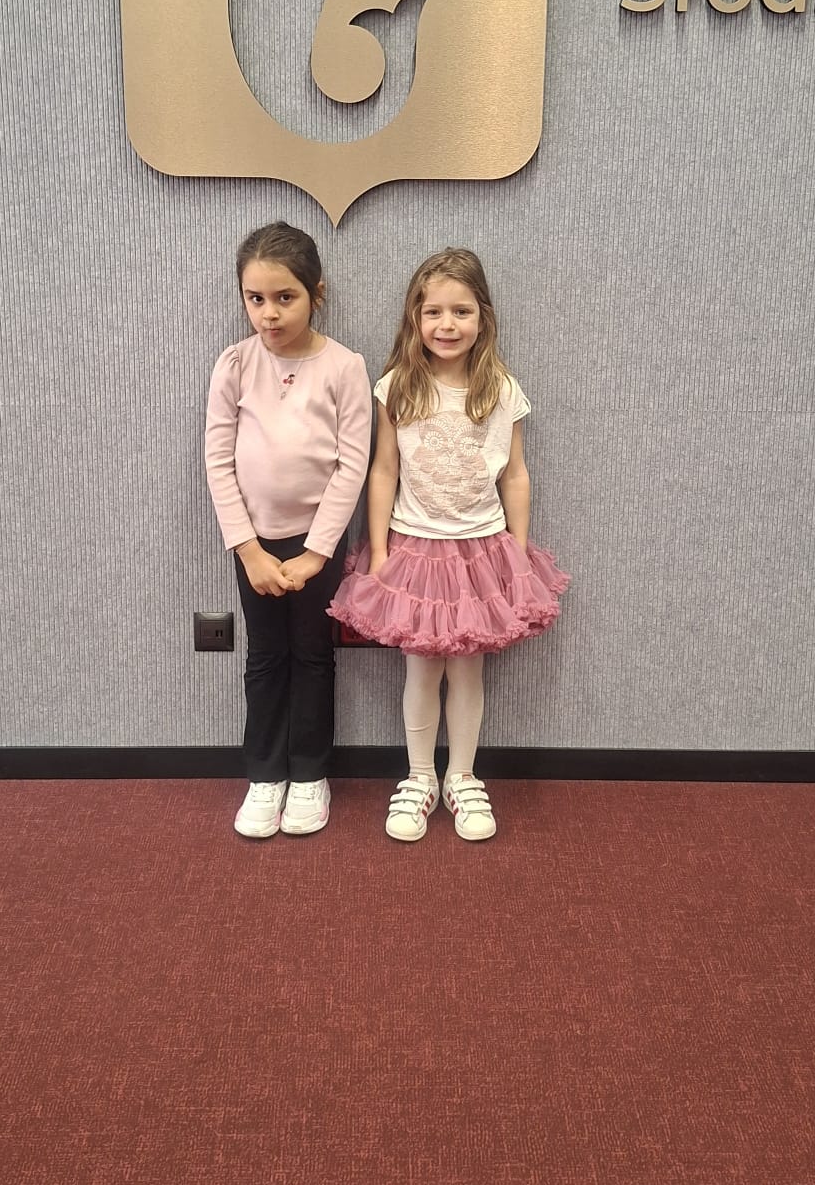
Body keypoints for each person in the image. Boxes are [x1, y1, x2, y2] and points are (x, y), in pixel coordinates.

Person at [328, 248, 568, 843]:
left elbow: (515, 474)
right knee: (420, 668)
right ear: (415, 317)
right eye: (433, 311)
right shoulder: (396, 387)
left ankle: (462, 776)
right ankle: (419, 777)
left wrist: (518, 551)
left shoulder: (501, 389)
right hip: (415, 547)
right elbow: (383, 470)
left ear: (483, 316)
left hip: (481, 548)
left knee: (466, 670)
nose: (447, 324)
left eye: (461, 311)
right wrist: (378, 549)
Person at [205, 222, 371, 839]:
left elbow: (352, 463)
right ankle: (265, 774)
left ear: (316, 293)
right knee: (265, 656)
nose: (269, 314)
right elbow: (218, 461)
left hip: (316, 543)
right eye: (255, 299)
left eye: (285, 297)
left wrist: (316, 553)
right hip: (254, 544)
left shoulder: (344, 366)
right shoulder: (235, 364)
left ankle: (309, 774)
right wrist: (248, 550)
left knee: (313, 654)